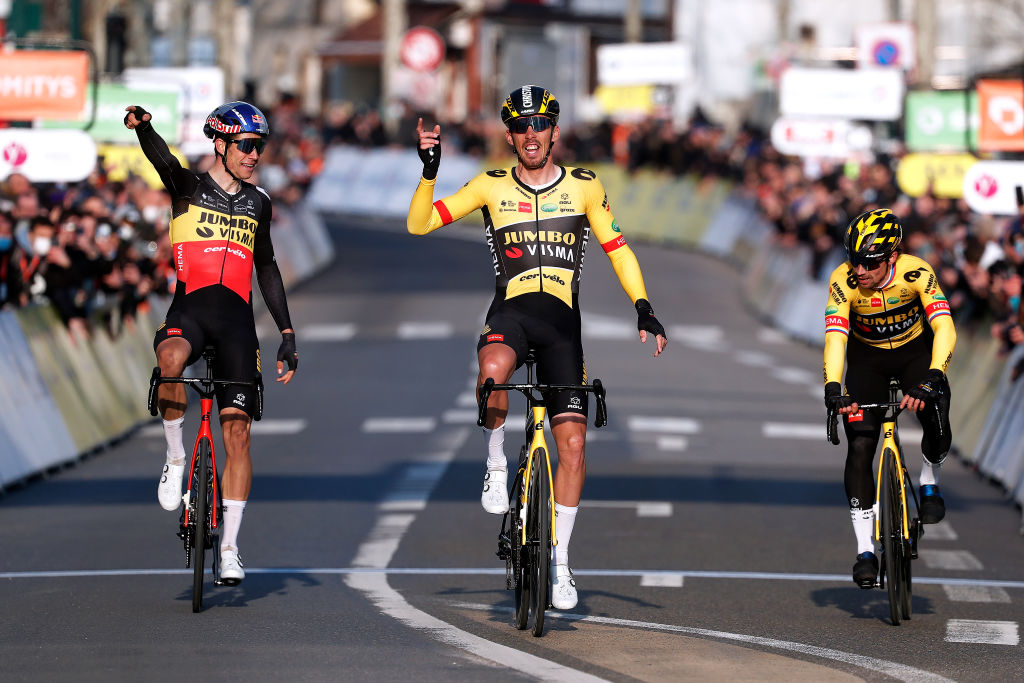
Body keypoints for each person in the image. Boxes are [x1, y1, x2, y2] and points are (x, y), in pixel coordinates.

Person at [407, 85, 668, 610]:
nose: (531, 134)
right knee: (492, 371)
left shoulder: (585, 187)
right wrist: (429, 169)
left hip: (562, 326)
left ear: (554, 132)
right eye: (521, 126)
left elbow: (619, 251)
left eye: (540, 124)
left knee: (572, 446)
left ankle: (562, 562)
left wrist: (643, 305)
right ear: (509, 134)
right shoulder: (489, 185)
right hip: (513, 313)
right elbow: (419, 224)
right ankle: (497, 463)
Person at [125, 101, 299, 585]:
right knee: (170, 358)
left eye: (259, 147)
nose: (254, 154)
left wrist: (286, 334)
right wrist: (146, 127)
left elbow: (267, 268)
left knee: (238, 433)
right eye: (246, 145)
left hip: (237, 324)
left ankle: (230, 547)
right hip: (191, 311)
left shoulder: (259, 202)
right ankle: (176, 457)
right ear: (220, 145)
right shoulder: (188, 188)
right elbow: (163, 161)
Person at [823, 208, 956, 588]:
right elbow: (836, 337)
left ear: (892, 257)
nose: (860, 270)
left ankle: (929, 480)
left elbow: (944, 325)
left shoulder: (918, 272)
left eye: (870, 262)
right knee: (861, 444)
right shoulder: (843, 281)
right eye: (854, 261)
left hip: (916, 354)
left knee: (937, 415)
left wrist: (934, 375)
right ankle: (865, 549)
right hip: (868, 361)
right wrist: (834, 386)